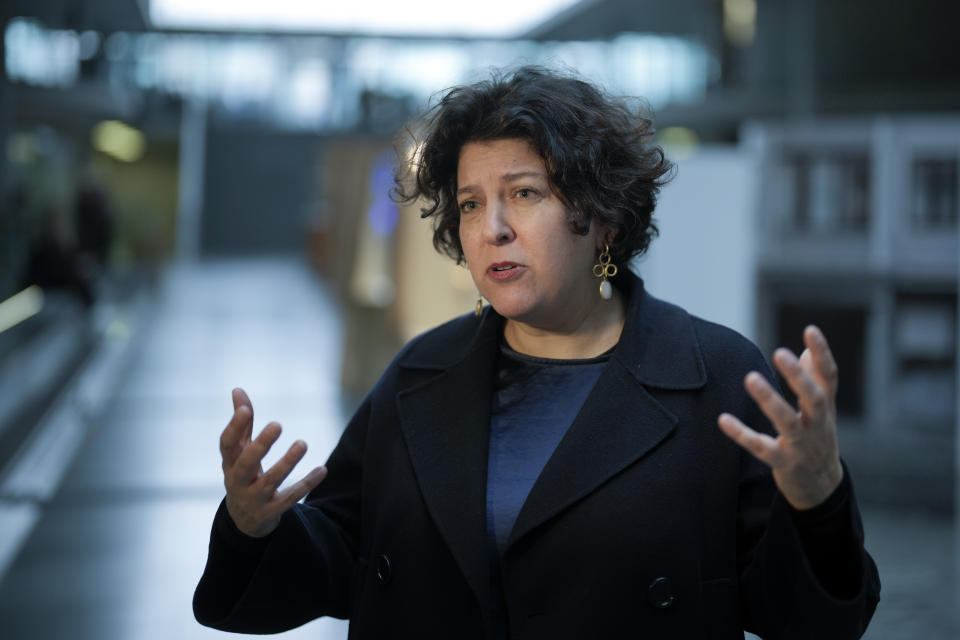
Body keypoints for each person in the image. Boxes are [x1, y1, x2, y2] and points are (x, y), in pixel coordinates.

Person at [194, 66, 880, 638]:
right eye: (468, 204)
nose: (490, 229)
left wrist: (817, 500)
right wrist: (256, 527)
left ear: (601, 213)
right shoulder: (421, 375)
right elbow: (342, 554)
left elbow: (807, 621)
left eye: (523, 194)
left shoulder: (718, 379)